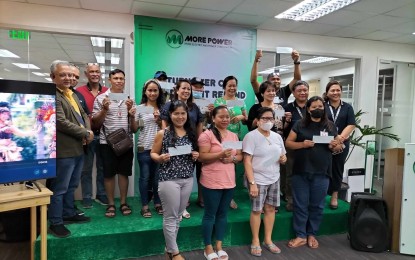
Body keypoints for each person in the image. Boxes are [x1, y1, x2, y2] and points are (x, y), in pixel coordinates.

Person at [285, 96, 342, 249]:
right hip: (301, 171)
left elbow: (338, 148)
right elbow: (288, 143)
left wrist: (335, 145)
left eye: (320, 106)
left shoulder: (330, 126)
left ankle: (311, 234)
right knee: (300, 204)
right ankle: (300, 235)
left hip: (322, 172)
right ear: (308, 109)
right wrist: (302, 144)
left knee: (317, 206)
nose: (318, 109)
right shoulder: (299, 124)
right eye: (314, 107)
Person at [48, 60, 93, 238]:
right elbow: (60, 122)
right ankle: (56, 222)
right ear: (53, 77)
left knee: (72, 185)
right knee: (59, 188)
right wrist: (85, 133)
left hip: (78, 147)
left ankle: (68, 213)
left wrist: (87, 133)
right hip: (64, 150)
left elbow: (83, 115)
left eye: (70, 75)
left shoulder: (71, 94)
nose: (68, 78)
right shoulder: (53, 96)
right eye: (63, 75)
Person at [150, 100, 199, 260]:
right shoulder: (163, 133)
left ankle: (169, 250)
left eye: (183, 113)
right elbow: (153, 154)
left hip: (187, 179)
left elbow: (194, 154)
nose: (180, 117)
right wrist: (160, 158)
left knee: (178, 216)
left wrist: (195, 155)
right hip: (168, 179)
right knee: (170, 216)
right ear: (170, 115)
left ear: (187, 115)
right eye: (176, 113)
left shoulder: (191, 134)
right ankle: (175, 252)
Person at [198, 105, 243, 260]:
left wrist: (232, 159)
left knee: (223, 214)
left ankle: (219, 245)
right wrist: (220, 154)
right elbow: (202, 157)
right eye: (221, 117)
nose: (225, 119)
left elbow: (240, 156)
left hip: (229, 181)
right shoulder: (207, 135)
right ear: (213, 118)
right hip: (211, 181)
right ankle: (208, 247)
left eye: (227, 117)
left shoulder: (234, 135)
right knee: (210, 214)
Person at [92, 69, 136, 218]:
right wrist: (104, 109)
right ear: (109, 80)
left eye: (121, 79)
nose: (119, 81)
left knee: (124, 173)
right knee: (109, 174)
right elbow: (95, 123)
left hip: (126, 142)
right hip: (107, 142)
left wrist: (131, 113)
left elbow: (135, 127)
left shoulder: (130, 99)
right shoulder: (101, 98)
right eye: (116, 78)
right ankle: (111, 204)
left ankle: (123, 202)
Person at [243, 107, 287, 257]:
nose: (268, 121)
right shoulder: (251, 136)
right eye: (265, 118)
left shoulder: (277, 137)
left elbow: (283, 156)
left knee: (270, 209)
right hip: (258, 179)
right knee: (256, 210)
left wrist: (283, 159)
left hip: (274, 177)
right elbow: (247, 161)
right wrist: (252, 182)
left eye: (271, 118)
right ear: (258, 120)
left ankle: (268, 240)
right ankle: (255, 241)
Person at [161, 79, 204, 219]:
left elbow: (199, 125)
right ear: (177, 90)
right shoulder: (169, 105)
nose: (186, 91)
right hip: (173, 143)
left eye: (188, 89)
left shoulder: (194, 107)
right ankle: (173, 204)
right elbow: (164, 125)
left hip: (190, 144)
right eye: (183, 88)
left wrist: (199, 143)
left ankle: (183, 206)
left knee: (187, 173)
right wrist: (167, 142)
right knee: (173, 174)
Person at [76, 63, 109, 208]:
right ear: (86, 74)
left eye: (97, 71)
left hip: (104, 135)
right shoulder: (79, 92)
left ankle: (101, 194)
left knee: (102, 167)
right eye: (92, 72)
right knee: (86, 168)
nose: (95, 74)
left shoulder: (108, 92)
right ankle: (87, 196)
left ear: (100, 74)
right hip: (87, 135)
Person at [132, 79, 165, 218]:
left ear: (159, 92)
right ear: (145, 92)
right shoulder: (140, 108)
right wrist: (131, 116)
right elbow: (134, 129)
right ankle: (145, 206)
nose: (152, 93)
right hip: (143, 147)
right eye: (150, 90)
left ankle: (157, 203)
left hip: (159, 148)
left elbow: (166, 130)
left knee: (158, 179)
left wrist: (159, 120)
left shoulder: (164, 108)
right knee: (145, 178)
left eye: (155, 90)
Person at [214, 75, 247, 210]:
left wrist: (241, 116)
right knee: (220, 165)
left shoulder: (240, 102)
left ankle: (229, 197)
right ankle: (218, 195)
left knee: (232, 165)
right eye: (230, 85)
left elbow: (246, 118)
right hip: (220, 138)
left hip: (235, 138)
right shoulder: (219, 101)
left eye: (234, 85)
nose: (232, 88)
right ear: (224, 87)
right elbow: (216, 118)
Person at [324, 81, 356, 209]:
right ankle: (322, 195)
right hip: (325, 143)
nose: (335, 93)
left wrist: (340, 139)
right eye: (332, 90)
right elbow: (319, 123)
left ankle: (335, 195)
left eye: (338, 90)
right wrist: (331, 140)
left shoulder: (348, 107)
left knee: (337, 168)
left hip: (342, 144)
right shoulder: (322, 106)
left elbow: (351, 124)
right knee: (324, 169)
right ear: (327, 92)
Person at [282, 80, 310, 211]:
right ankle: (290, 198)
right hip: (292, 145)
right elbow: (281, 127)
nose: (303, 93)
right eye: (299, 90)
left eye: (305, 90)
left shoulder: (314, 106)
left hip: (311, 146)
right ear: (293, 92)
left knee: (308, 172)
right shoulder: (287, 108)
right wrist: (286, 121)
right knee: (291, 173)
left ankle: (305, 198)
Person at [190, 76, 214, 208]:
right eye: (195, 86)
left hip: (203, 142)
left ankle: (201, 198)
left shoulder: (206, 102)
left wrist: (211, 114)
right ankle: (185, 199)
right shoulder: (186, 103)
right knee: (187, 171)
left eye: (200, 87)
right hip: (188, 141)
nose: (198, 89)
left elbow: (210, 123)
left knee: (202, 171)